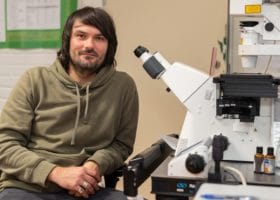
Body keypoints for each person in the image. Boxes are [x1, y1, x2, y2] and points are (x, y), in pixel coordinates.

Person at [0, 6, 139, 200]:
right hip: (27, 187)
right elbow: (5, 144)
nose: (89, 45)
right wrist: (57, 173)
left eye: (99, 38)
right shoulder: (34, 80)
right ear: (67, 41)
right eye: (81, 36)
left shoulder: (123, 86)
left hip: (86, 188)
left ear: (110, 45)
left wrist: (94, 166)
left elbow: (122, 144)